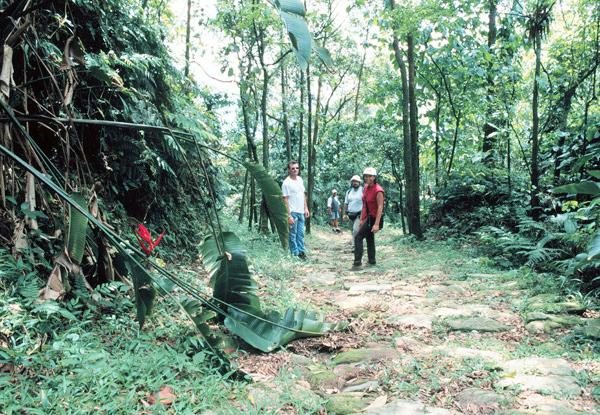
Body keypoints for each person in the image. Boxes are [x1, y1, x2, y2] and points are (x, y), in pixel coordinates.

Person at [353, 167, 384, 269]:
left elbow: (380, 207)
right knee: (369, 238)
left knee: (358, 237)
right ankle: (372, 261)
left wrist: (376, 224)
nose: (367, 178)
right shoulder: (366, 188)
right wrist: (362, 218)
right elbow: (365, 205)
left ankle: (357, 263)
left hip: (376, 218)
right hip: (369, 217)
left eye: (369, 176)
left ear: (374, 177)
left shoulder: (378, 190)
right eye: (365, 176)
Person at [282, 160, 310, 259]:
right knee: (293, 234)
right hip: (292, 212)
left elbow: (303, 195)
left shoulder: (300, 179)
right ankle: (295, 253)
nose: (295, 170)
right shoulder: (286, 183)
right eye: (293, 168)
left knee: (301, 233)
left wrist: (306, 208)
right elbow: (285, 199)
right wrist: (288, 215)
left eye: (297, 168)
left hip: (301, 211)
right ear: (289, 170)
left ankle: (301, 252)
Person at [342, 175, 363, 246]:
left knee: (355, 230)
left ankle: (356, 246)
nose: (355, 183)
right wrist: (345, 213)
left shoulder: (363, 190)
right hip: (350, 214)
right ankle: (357, 244)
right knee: (352, 230)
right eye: (353, 181)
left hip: (359, 214)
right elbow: (346, 203)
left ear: (359, 182)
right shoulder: (349, 192)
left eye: (356, 181)